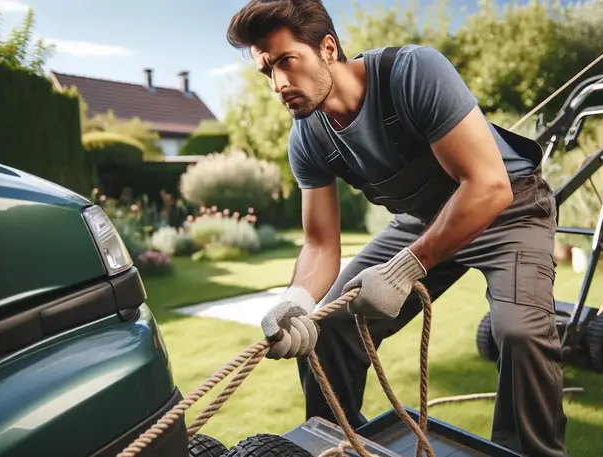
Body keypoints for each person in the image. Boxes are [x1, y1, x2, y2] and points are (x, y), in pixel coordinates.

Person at [226, 1, 568, 455]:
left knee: (520, 334)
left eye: (287, 61)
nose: (279, 84)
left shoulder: (412, 73)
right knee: (326, 332)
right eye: (266, 70)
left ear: (327, 48)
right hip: (425, 221)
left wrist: (405, 269)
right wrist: (296, 300)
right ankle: (341, 443)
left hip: (510, 210)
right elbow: (320, 243)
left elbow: (488, 186)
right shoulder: (308, 137)